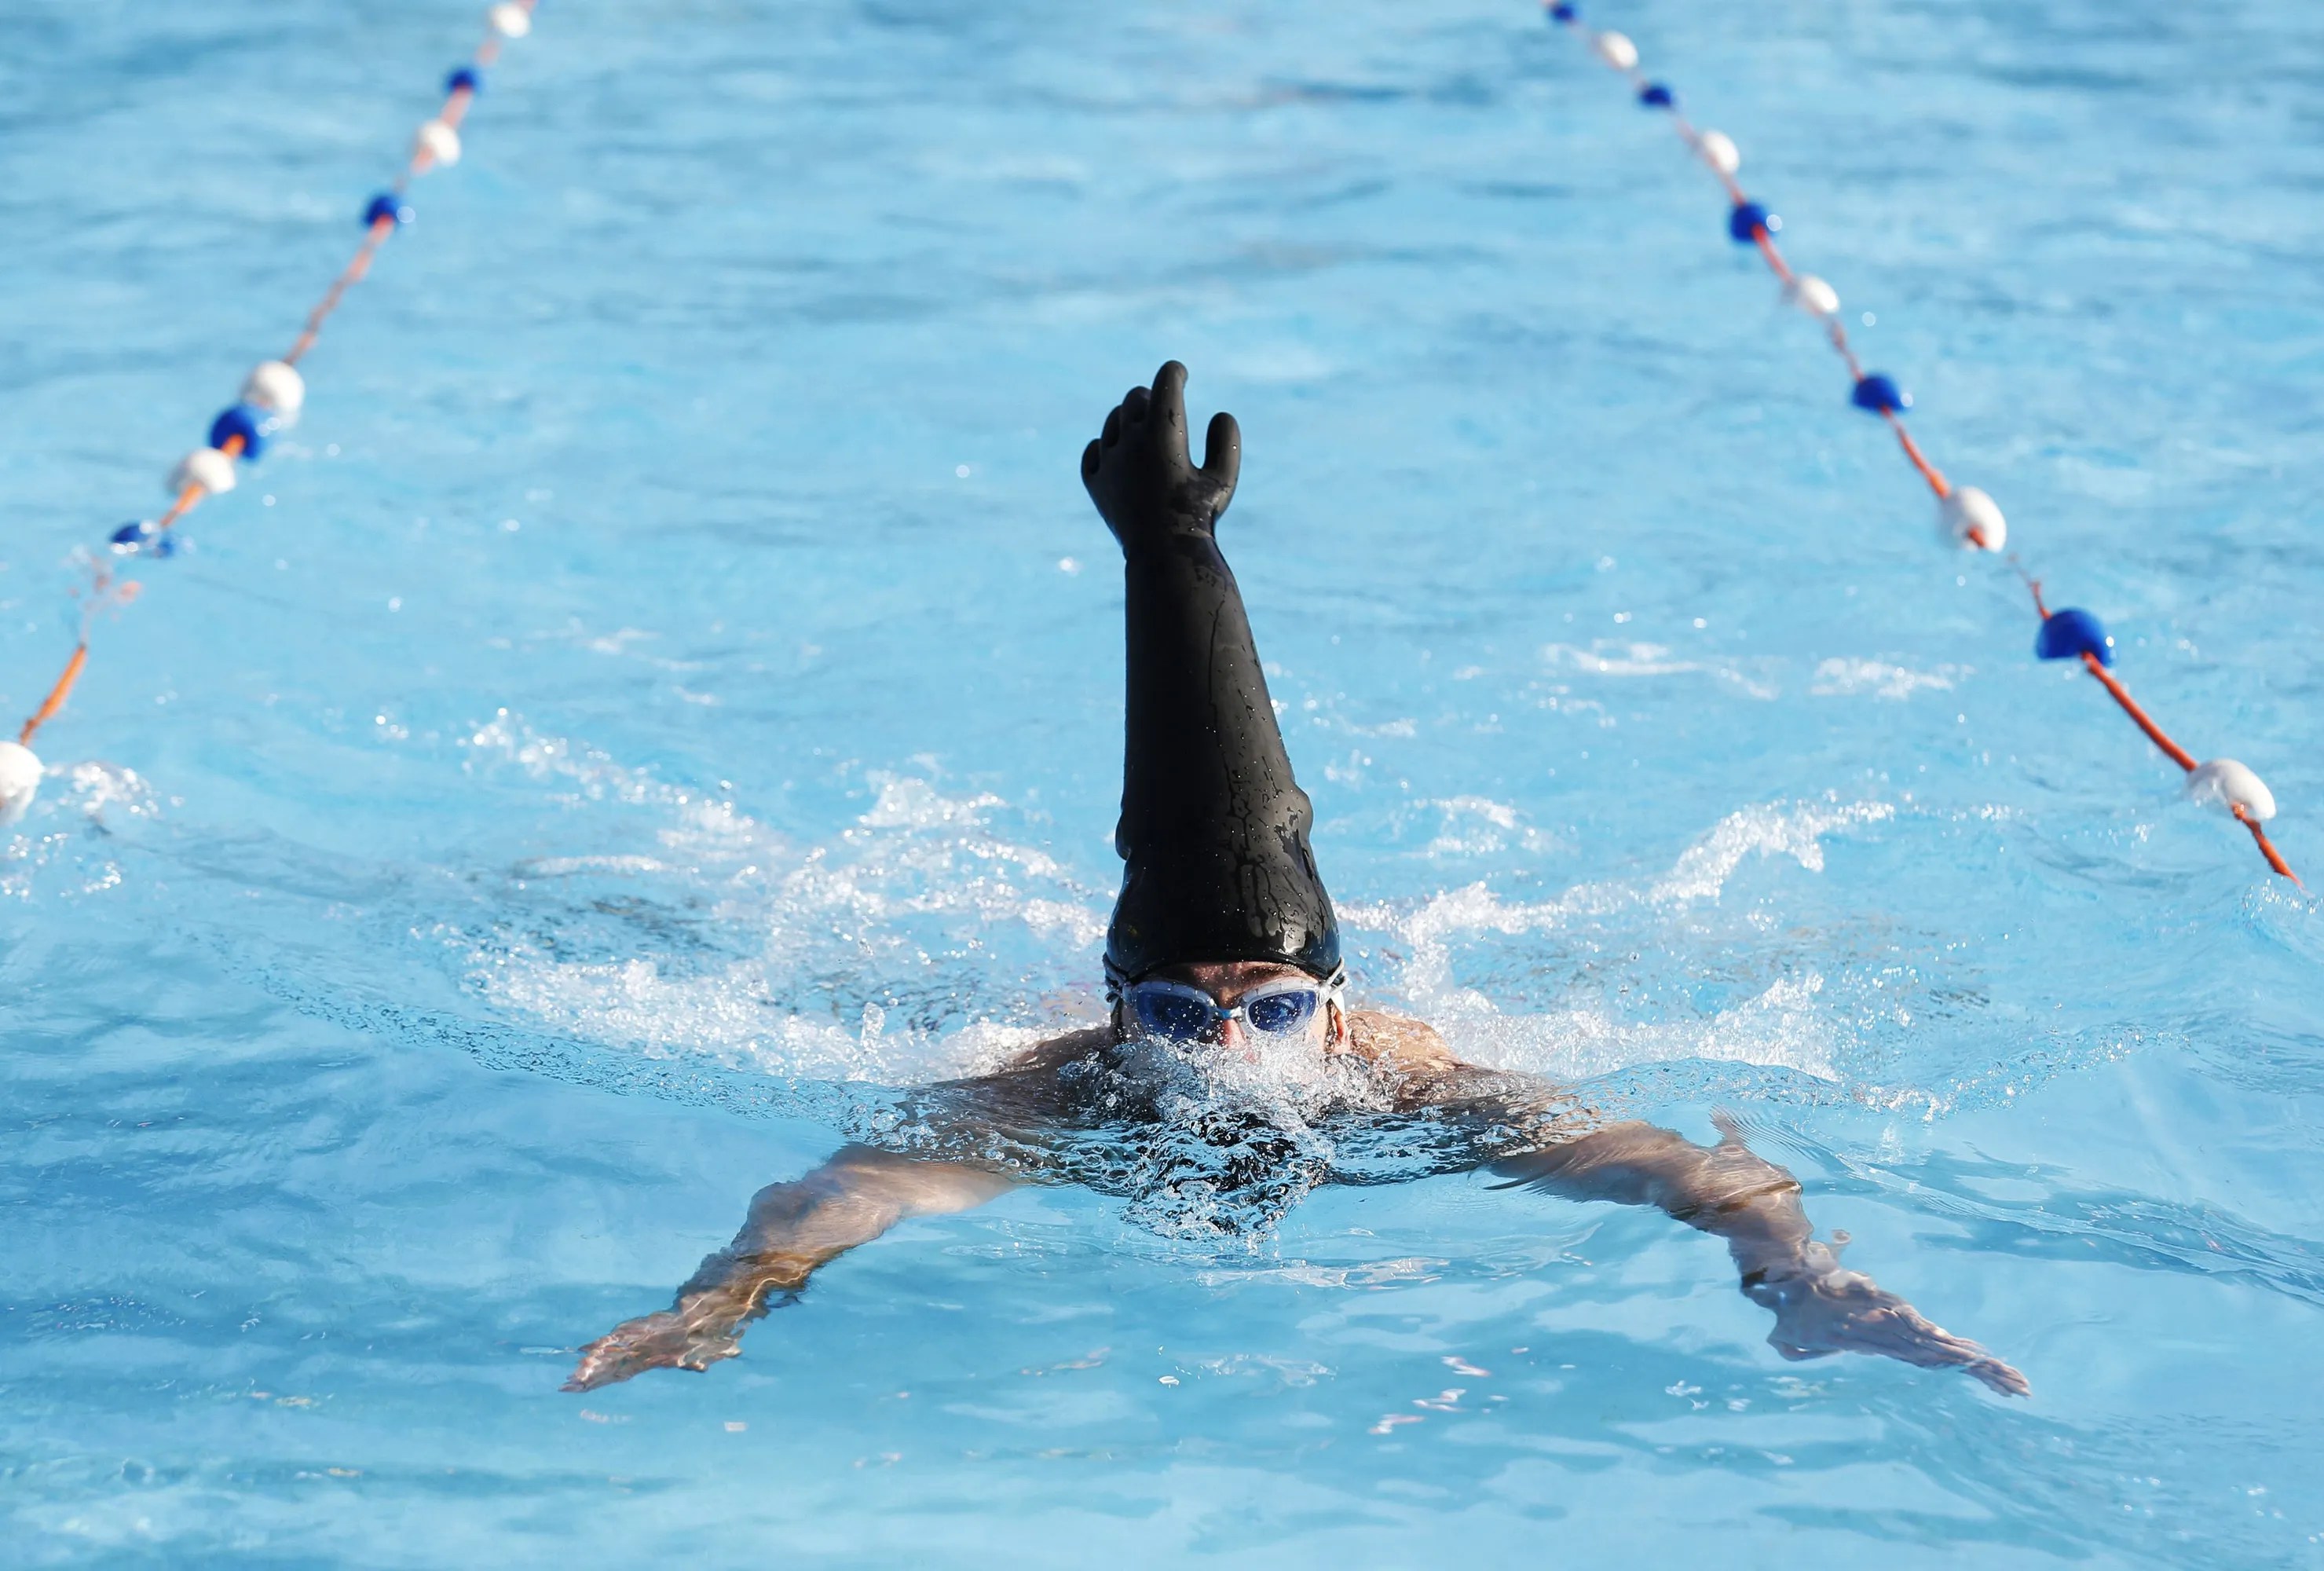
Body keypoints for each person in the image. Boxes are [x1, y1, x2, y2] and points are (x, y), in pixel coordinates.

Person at [565, 363, 2026, 1398]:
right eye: (1178, 1016)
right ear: (1118, 1015)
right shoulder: (1052, 1094)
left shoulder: (1419, 1087)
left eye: (1267, 1011)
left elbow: (1678, 1167)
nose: (1224, 1051)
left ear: (1333, 1009)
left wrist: (1803, 1279)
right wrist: (728, 1298)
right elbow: (854, 1189)